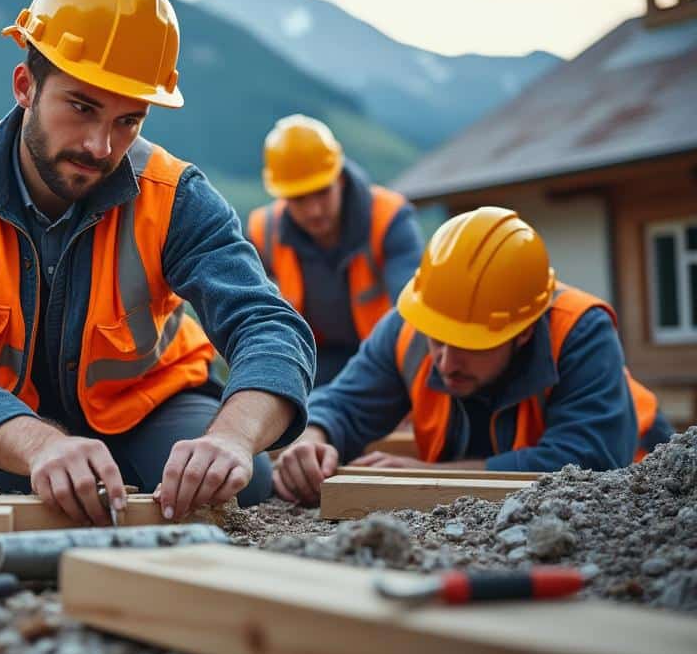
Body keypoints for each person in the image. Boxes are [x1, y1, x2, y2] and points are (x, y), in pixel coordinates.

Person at [0, 0, 316, 524]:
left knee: (246, 479)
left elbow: (267, 324)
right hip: (4, 418)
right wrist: (41, 446)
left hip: (148, 407)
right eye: (82, 107)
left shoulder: (176, 194)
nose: (99, 145)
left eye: (127, 120)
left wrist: (234, 438)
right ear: (26, 86)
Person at [273, 206, 675, 504]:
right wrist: (314, 435)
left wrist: (429, 477)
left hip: (639, 485)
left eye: (469, 344)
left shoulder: (580, 331)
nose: (445, 362)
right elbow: (344, 403)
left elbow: (588, 460)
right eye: (438, 340)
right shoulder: (413, 321)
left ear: (523, 333)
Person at [246, 114, 423, 385]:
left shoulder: (390, 219)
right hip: (313, 361)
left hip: (384, 359)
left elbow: (413, 316)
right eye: (299, 199)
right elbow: (253, 319)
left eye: (322, 192)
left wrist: (408, 385)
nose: (313, 211)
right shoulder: (263, 232)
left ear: (340, 177)